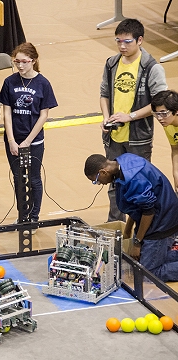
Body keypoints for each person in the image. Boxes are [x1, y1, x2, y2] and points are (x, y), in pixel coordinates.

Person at [99, 18, 167, 222]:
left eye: (127, 41)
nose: (122, 46)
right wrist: (105, 118)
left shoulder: (151, 67)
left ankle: (140, 227)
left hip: (139, 138)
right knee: (113, 184)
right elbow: (104, 93)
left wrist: (130, 116)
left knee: (139, 184)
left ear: (140, 41)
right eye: (118, 40)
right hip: (114, 137)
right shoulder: (112, 64)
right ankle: (116, 226)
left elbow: (160, 103)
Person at [84, 153, 178, 282]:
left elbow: (148, 211)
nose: (100, 184)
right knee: (140, 259)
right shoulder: (123, 162)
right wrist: (128, 230)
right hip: (156, 215)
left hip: (161, 222)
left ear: (103, 172)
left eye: (96, 180)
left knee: (146, 274)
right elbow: (136, 206)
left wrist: (137, 242)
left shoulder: (133, 179)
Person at [0, 43, 57, 230]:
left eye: (24, 62)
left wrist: (27, 141)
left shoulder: (43, 83)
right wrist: (11, 141)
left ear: (33, 61)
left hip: (33, 141)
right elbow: (6, 113)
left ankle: (34, 216)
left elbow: (43, 116)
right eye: (17, 62)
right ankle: (22, 216)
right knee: (18, 178)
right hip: (14, 140)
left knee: (33, 179)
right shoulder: (10, 82)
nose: (20, 66)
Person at [150, 90, 178, 193]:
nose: (160, 118)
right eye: (156, 114)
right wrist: (176, 174)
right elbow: (175, 148)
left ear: (176, 110)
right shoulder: (168, 125)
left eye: (163, 113)